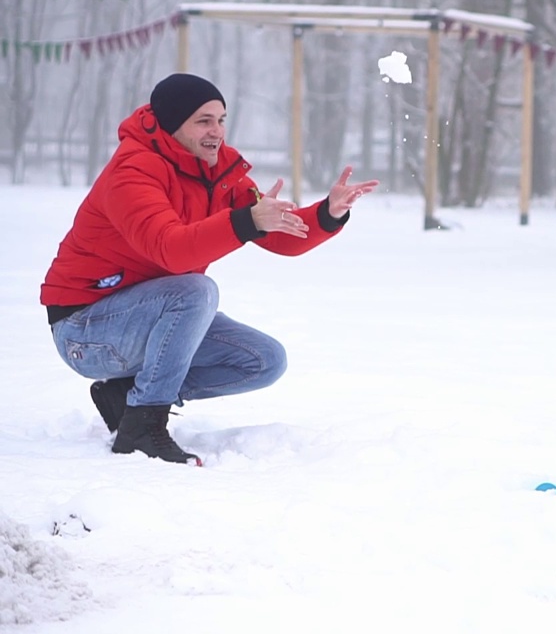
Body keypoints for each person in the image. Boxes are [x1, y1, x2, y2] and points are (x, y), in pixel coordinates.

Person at [40, 73, 379, 466]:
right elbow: (172, 251)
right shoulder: (132, 172)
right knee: (195, 292)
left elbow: (277, 233)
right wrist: (248, 220)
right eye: (204, 120)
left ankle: (127, 398)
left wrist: (328, 213)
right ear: (172, 123)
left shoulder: (215, 171)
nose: (217, 131)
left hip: (152, 314)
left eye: (221, 119)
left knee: (263, 359)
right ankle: (143, 425)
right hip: (85, 329)